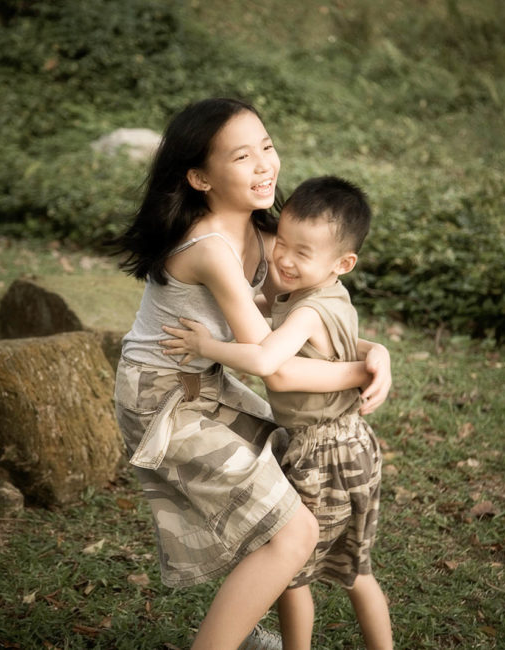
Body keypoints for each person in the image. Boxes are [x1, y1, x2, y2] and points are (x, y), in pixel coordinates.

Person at [109, 98, 392, 650]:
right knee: (295, 531)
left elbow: (307, 321)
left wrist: (372, 347)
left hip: (208, 382)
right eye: (242, 156)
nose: (265, 164)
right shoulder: (211, 248)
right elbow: (277, 370)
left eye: (266, 146)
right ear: (199, 177)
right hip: (161, 400)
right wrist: (359, 371)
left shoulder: (267, 239)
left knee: (289, 498)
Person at [162, 176, 393, 649]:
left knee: (294, 571)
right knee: (355, 571)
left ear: (343, 263)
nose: (284, 259)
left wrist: (208, 345)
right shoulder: (319, 297)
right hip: (348, 443)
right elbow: (261, 306)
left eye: (302, 252)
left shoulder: (310, 311)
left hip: (326, 452)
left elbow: (268, 361)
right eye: (282, 243)